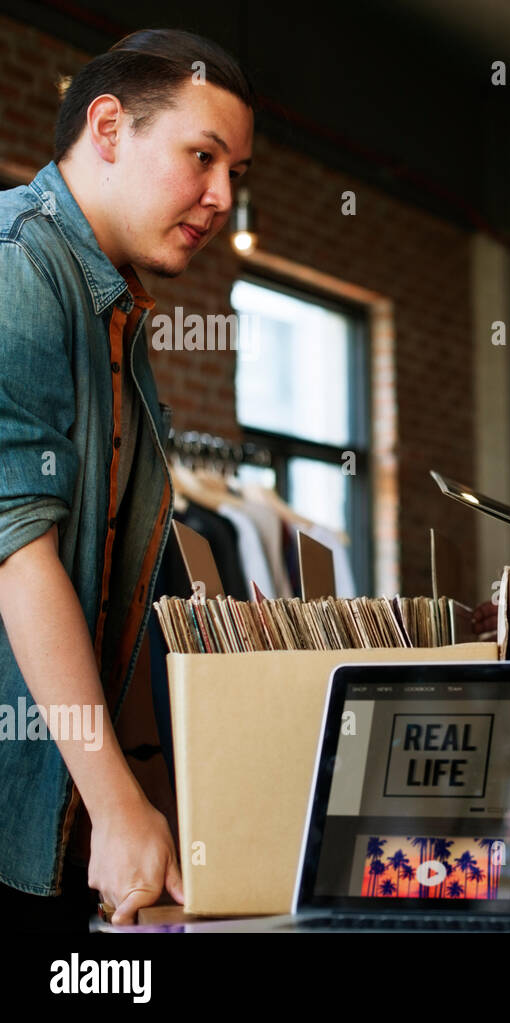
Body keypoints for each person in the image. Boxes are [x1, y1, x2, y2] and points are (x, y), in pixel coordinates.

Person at [0, 29, 254, 929]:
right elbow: (16, 551)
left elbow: (115, 586)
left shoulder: (117, 312)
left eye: (234, 171)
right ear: (108, 127)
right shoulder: (18, 266)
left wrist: (147, 799)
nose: (221, 197)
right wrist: (116, 804)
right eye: (202, 156)